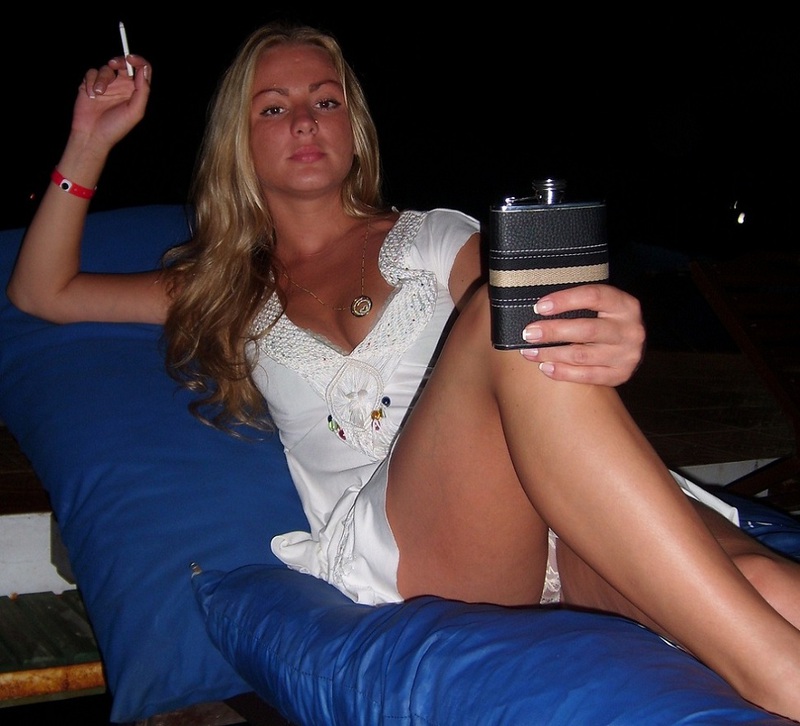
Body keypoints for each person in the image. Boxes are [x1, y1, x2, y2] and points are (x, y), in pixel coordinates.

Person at [7, 21, 800, 721]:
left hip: (565, 520)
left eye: (324, 100)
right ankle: (777, 676)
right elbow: (42, 291)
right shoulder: (225, 289)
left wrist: (607, 333)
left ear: (353, 126)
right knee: (501, 323)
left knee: (771, 590)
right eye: (273, 108)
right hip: (418, 549)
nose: (305, 120)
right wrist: (90, 140)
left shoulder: (432, 238)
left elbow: (555, 328)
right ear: (238, 144)